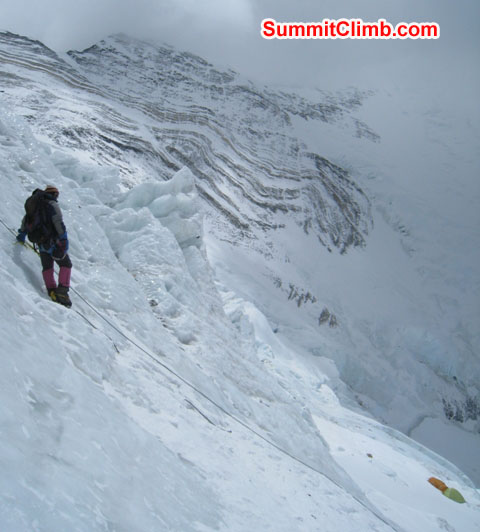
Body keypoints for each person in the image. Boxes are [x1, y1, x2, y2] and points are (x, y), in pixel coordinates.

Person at [16, 185, 72, 308]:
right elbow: (58, 222)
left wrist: (22, 234)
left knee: (47, 267)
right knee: (66, 264)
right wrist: (63, 240)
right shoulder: (52, 205)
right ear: (53, 194)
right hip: (53, 241)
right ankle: (62, 293)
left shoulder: (35, 205)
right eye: (56, 194)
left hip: (40, 243)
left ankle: (51, 290)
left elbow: (26, 220)